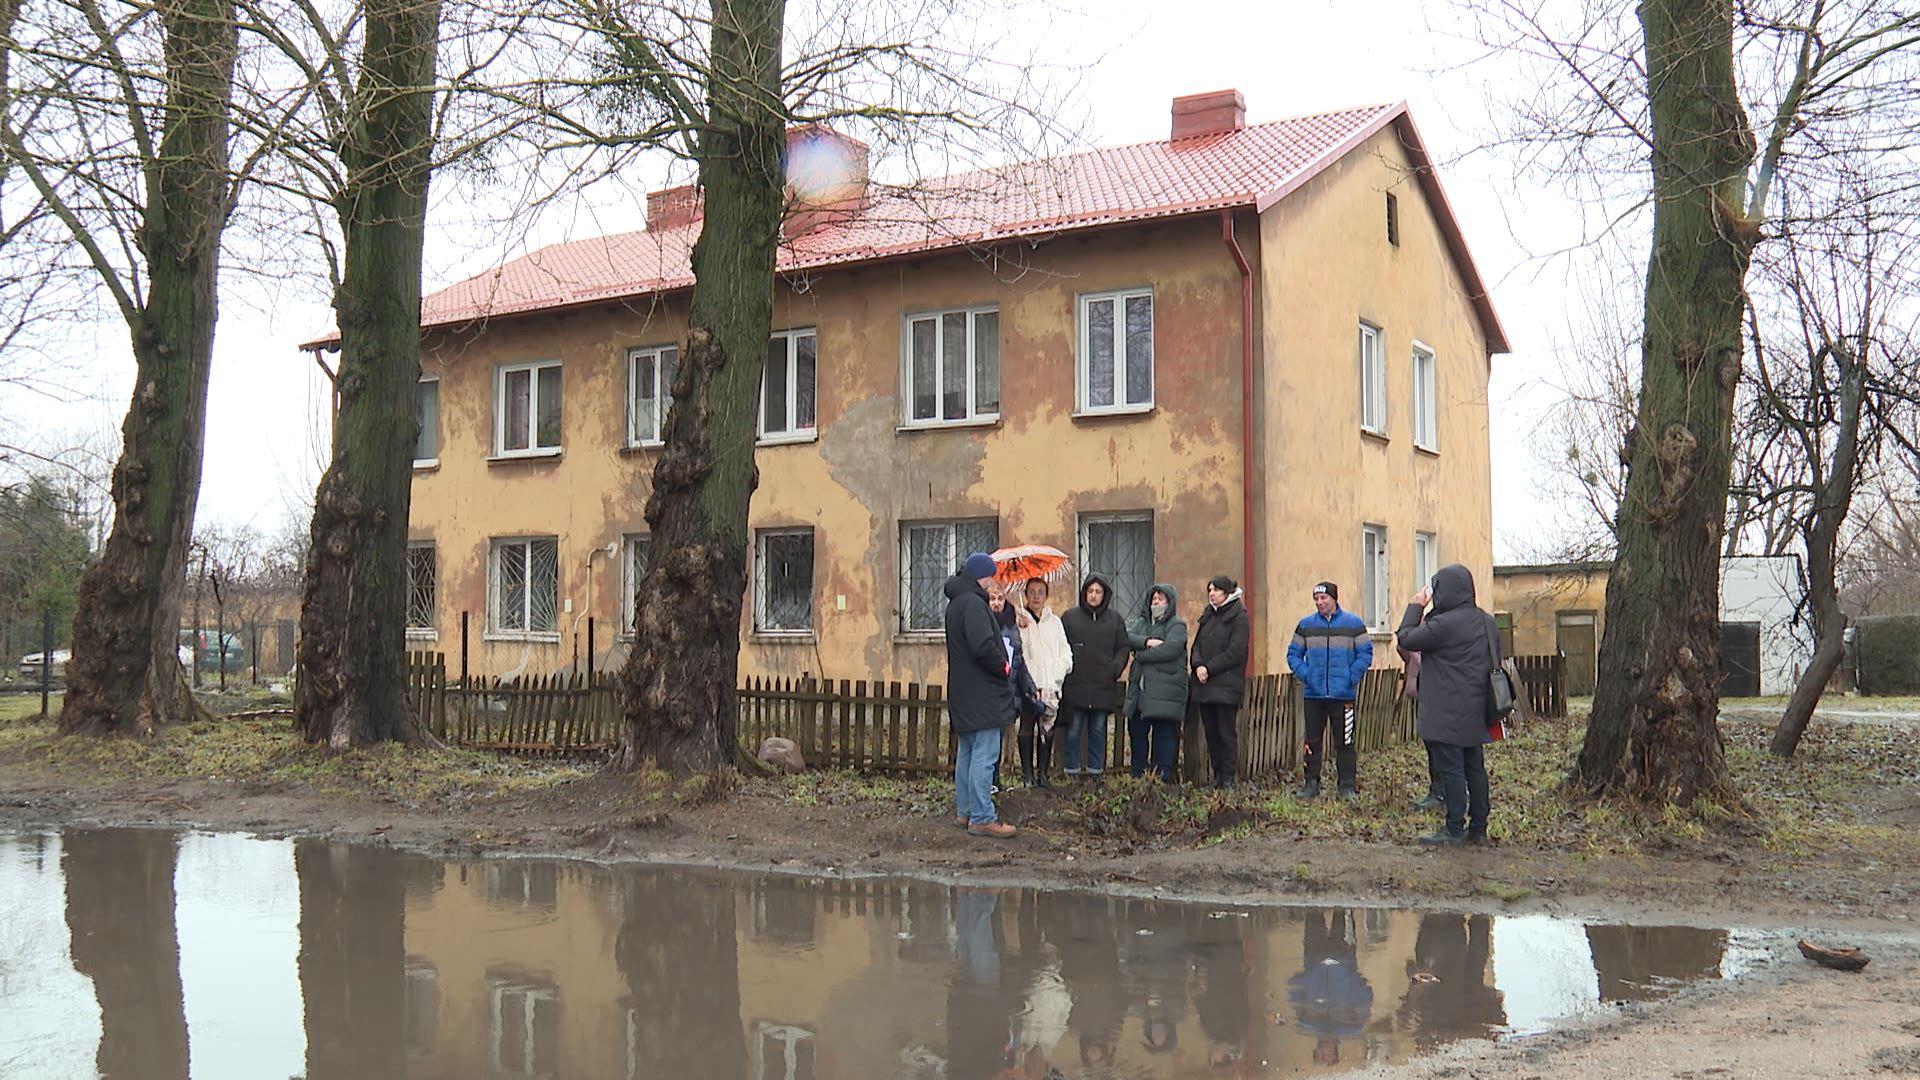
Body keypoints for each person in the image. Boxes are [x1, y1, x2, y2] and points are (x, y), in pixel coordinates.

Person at [1394, 564, 1497, 845]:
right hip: (1477, 706)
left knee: (1451, 770)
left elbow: (1406, 638)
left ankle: (1453, 828)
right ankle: (1478, 828)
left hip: (1446, 710)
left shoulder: (1444, 625)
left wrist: (1416, 607)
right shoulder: (1486, 620)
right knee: (1475, 768)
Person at [944, 552, 1018, 838]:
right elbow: (982, 644)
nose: (993, 581)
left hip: (963, 691)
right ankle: (983, 817)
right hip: (982, 692)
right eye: (990, 576)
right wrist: (1002, 664)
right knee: (985, 755)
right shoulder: (974, 604)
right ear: (981, 577)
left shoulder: (956, 603)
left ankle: (965, 812)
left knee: (968, 752)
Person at [1286, 581, 1373, 799]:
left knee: (1345, 741)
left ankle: (1346, 786)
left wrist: (1351, 677)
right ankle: (1311, 783)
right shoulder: (1305, 625)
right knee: (1312, 741)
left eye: (1323, 598)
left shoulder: (1353, 624)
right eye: (1316, 598)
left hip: (1344, 696)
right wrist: (1307, 675)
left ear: (1334, 599)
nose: (1319, 602)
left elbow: (1365, 653)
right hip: (1314, 695)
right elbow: (1293, 654)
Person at [1059, 574, 1130, 781]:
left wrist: (1115, 668)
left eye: (1098, 592)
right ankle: (1071, 772)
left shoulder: (1115, 620)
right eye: (1090, 591)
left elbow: (1123, 647)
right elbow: (1059, 646)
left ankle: (1095, 773)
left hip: (1102, 686)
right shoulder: (1070, 617)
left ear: (1104, 595)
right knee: (1073, 732)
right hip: (1076, 686)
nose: (1093, 595)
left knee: (1098, 732)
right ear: (1084, 593)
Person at [1189, 574, 1251, 790]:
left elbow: (1235, 652)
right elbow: (1196, 646)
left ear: (1227, 593)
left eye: (1216, 590)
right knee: (1211, 734)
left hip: (1226, 685)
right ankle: (1217, 776)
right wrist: (1197, 666)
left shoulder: (1239, 617)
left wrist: (1209, 668)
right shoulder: (1208, 615)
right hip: (1204, 685)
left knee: (1226, 733)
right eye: (1210, 591)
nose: (1212, 594)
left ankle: (1228, 778)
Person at [1123, 583, 1187, 783]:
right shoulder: (1142, 624)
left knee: (1164, 737)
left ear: (1169, 602)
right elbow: (1126, 638)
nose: (1156, 601)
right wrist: (1147, 643)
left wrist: (1141, 655)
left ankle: (1162, 779)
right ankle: (1138, 776)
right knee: (1137, 734)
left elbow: (1171, 649)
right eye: (1154, 598)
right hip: (1140, 693)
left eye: (1161, 598)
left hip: (1165, 694)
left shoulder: (1176, 625)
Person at [1016, 577, 1073, 788]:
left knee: (1047, 728)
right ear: (1026, 595)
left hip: (1050, 684)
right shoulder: (1021, 622)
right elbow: (1019, 654)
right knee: (1027, 725)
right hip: (1029, 685)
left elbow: (1065, 652)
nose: (1036, 596)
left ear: (1046, 595)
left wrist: (1058, 674)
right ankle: (1027, 774)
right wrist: (1022, 629)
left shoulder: (1054, 622)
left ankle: (1043, 773)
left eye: (1040, 592)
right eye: (1032, 592)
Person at [991, 590, 1048, 792]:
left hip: (1010, 690)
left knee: (998, 737)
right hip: (991, 691)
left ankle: (995, 780)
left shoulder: (1011, 625)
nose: (996, 603)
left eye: (1000, 598)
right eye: (992, 599)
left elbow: (1019, 660)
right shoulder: (986, 625)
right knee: (991, 740)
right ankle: (991, 780)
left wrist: (1030, 686)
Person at [1399, 640, 1444, 812]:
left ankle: (1444, 793)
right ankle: (1438, 790)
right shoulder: (1419, 638)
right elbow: (1402, 646)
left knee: (1443, 748)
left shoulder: (1441, 635)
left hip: (1441, 696)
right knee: (1432, 745)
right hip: (1423, 693)